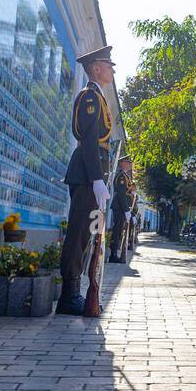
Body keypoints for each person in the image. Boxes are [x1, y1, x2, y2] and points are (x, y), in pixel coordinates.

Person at [60, 45, 114, 315]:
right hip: (86, 174)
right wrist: (96, 178)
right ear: (95, 68)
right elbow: (90, 140)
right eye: (108, 64)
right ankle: (68, 297)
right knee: (78, 233)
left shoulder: (98, 96)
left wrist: (102, 179)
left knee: (88, 234)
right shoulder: (89, 97)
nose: (112, 69)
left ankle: (75, 292)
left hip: (93, 174)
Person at [108, 155, 135, 263]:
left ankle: (115, 253)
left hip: (122, 208)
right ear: (122, 163)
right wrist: (126, 210)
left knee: (119, 232)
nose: (130, 164)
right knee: (117, 231)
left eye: (130, 162)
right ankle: (113, 255)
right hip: (119, 208)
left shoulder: (126, 176)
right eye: (128, 162)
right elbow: (121, 195)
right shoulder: (121, 177)